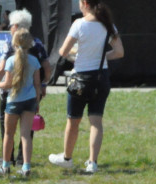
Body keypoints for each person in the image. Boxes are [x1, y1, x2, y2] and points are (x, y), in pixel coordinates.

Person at [47, 0, 123, 174]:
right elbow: (119, 52)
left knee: (73, 121)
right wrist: (101, 58)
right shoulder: (108, 25)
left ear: (85, 3)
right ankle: (92, 163)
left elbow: (63, 52)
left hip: (81, 78)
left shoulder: (79, 24)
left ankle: (67, 158)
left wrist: (77, 54)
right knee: (96, 121)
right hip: (101, 77)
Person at [0, 8, 50, 164]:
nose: (9, 28)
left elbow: (1, 69)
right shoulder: (38, 43)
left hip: (11, 95)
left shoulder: (11, 44)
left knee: (7, 130)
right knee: (27, 130)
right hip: (31, 93)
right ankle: (24, 161)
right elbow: (47, 68)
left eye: (10, 25)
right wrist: (43, 84)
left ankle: (7, 160)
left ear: (16, 26)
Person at [0, 28, 40, 177]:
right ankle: (26, 167)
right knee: (25, 135)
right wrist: (37, 102)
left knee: (8, 134)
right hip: (30, 100)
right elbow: (38, 84)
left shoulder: (11, 60)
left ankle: (5, 166)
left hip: (14, 101)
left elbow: (7, 84)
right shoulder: (34, 61)